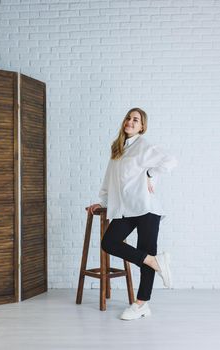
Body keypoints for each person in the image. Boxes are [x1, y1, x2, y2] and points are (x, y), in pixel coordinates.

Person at [87, 107, 178, 321]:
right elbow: (108, 180)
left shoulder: (144, 146)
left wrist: (149, 173)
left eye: (135, 120)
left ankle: (141, 304)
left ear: (142, 126)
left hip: (146, 208)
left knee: (144, 250)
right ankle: (156, 262)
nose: (130, 121)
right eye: (128, 118)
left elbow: (171, 161)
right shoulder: (118, 149)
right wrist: (101, 202)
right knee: (109, 242)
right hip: (126, 210)